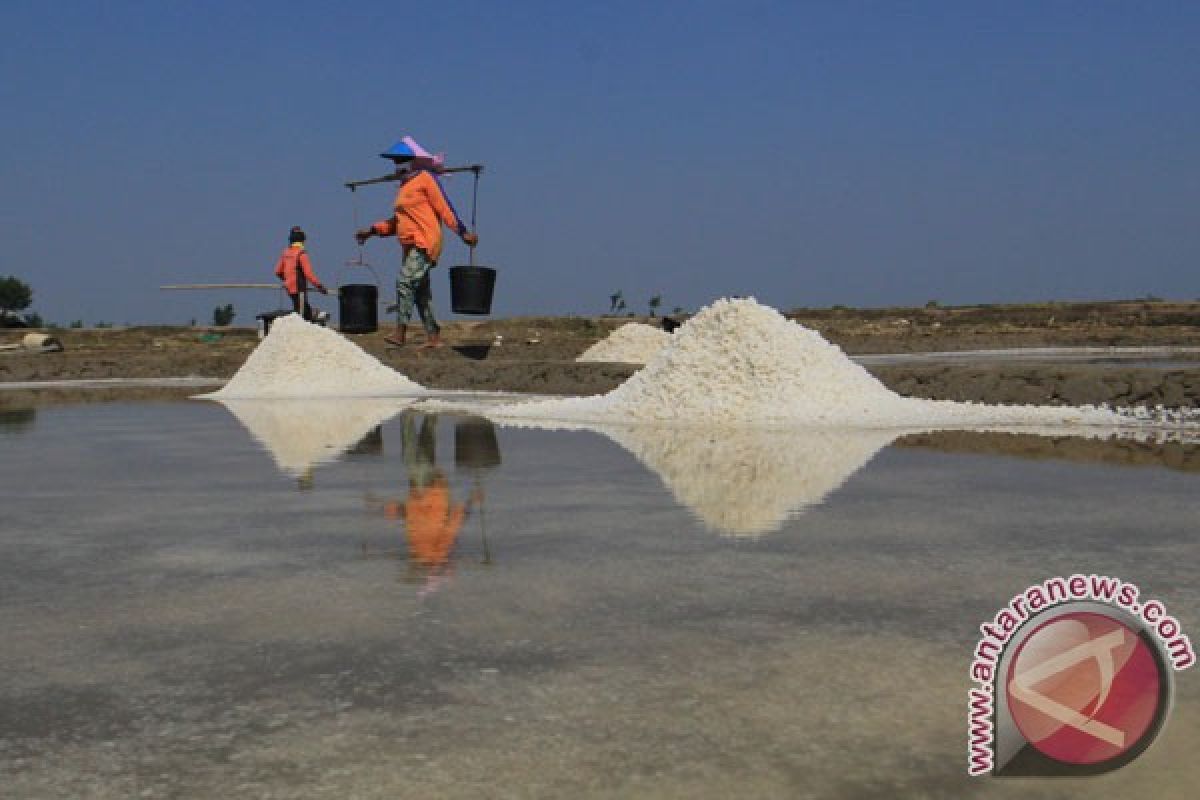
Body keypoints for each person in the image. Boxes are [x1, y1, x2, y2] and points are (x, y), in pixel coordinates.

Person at [355, 137, 478, 347]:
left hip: (425, 242)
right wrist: (372, 231)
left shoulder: (425, 179)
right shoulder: (403, 188)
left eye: (399, 160)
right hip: (409, 245)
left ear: (411, 161)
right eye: (394, 161)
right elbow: (398, 222)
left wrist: (462, 232)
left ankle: (400, 332)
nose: (396, 164)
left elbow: (444, 208)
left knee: (404, 282)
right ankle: (434, 336)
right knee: (421, 292)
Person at [274, 226, 327, 321]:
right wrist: (320, 286)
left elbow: (277, 271)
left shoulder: (285, 253)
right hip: (299, 287)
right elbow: (308, 274)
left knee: (300, 308)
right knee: (302, 312)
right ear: (303, 241)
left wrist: (287, 279)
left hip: (289, 288)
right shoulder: (301, 254)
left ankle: (310, 318)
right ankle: (312, 321)